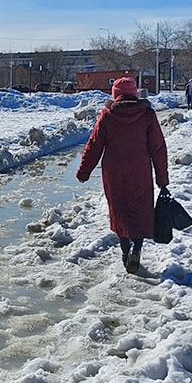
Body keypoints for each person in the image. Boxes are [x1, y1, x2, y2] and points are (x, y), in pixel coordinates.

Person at [76, 76, 169, 275]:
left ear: (115, 95)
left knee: (119, 212)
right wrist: (162, 178)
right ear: (135, 93)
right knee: (140, 211)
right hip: (140, 171)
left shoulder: (107, 116)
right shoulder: (147, 115)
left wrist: (84, 172)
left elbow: (94, 145)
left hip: (114, 172)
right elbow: (158, 148)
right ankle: (137, 249)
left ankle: (126, 252)